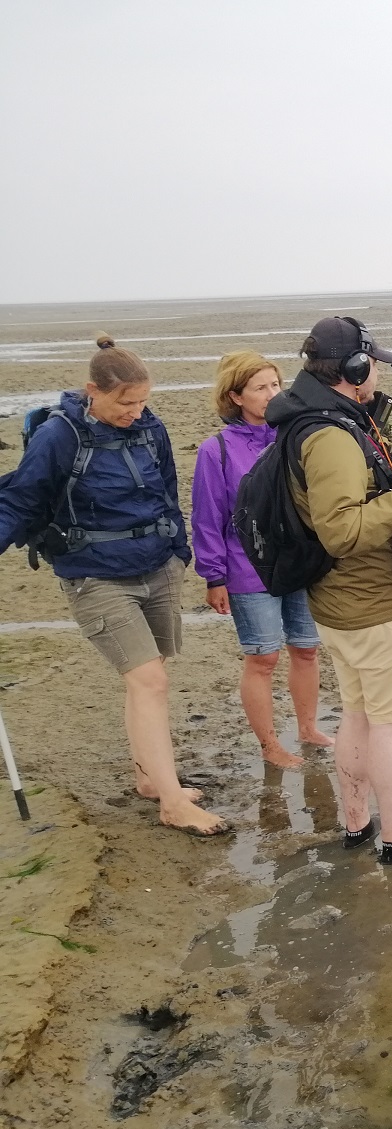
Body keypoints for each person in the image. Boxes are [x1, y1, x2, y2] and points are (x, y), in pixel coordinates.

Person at [0, 335, 222, 835]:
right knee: (149, 680)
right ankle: (172, 803)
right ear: (92, 391)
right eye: (126, 403)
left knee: (149, 678)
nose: (135, 412)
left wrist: (178, 553)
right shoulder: (58, 437)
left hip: (157, 567)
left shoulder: (150, 428)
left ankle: (149, 778)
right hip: (95, 575)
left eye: (142, 401)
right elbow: (18, 501)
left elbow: (168, 490)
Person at [266, 316, 392, 864]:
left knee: (359, 715)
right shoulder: (330, 436)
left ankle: (356, 826)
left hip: (340, 607)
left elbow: (363, 470)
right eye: (373, 365)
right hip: (374, 609)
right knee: (391, 725)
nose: (378, 375)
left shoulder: (322, 417)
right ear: (355, 368)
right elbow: (342, 532)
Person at [192, 351, 332, 766]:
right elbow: (208, 517)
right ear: (235, 396)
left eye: (275, 384)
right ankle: (270, 746)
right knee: (263, 657)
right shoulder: (216, 450)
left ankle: (308, 728)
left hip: (300, 562)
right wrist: (214, 576)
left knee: (306, 649)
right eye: (260, 388)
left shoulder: (295, 436)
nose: (272, 394)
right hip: (247, 568)